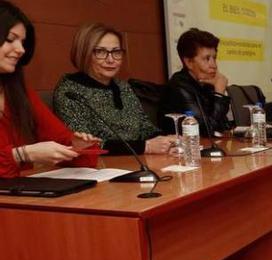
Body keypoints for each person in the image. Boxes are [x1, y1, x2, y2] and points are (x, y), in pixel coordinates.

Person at [0, 0, 99, 178]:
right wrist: (22, 154)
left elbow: (60, 137)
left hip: (21, 196)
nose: (21, 49)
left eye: (23, 42)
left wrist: (74, 146)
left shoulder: (19, 93)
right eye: (10, 40)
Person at [53, 23, 175, 155]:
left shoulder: (123, 87)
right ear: (84, 53)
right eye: (100, 52)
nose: (111, 60)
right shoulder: (69, 91)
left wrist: (165, 139)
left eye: (116, 52)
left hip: (138, 160)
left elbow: (144, 127)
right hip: (99, 167)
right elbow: (84, 143)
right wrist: (146, 147)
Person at [158, 28, 231, 136]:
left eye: (214, 58)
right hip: (181, 150)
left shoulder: (207, 84)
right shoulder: (179, 86)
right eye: (206, 59)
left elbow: (223, 126)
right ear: (188, 62)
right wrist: (219, 94)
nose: (214, 65)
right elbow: (206, 131)